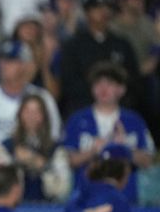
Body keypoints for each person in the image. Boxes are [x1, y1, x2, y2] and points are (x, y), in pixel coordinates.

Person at [62, 61, 155, 204]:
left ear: (121, 89)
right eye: (98, 84)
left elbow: (148, 160)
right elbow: (69, 160)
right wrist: (93, 150)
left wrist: (124, 148)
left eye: (109, 84)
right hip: (86, 198)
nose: (103, 89)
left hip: (125, 199)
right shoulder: (78, 119)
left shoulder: (134, 120)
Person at [0, 95, 71, 202]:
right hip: (13, 208)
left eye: (36, 112)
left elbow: (63, 189)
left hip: (46, 210)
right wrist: (14, 162)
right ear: (20, 114)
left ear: (43, 116)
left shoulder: (56, 150)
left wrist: (44, 166)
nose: (31, 116)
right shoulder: (6, 147)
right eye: (27, 111)